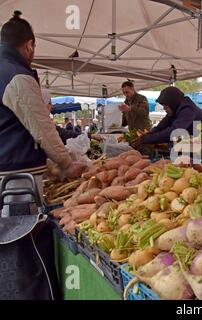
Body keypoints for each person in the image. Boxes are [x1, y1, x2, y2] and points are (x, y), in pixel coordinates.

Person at [0, 10, 86, 300]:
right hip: (15, 184)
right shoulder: (16, 75)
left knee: (10, 247)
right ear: (29, 45)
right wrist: (65, 163)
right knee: (25, 244)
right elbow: (43, 129)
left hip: (8, 177)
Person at [132, 86, 202, 148]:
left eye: (166, 105)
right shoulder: (176, 108)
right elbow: (162, 125)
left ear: (172, 103)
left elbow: (175, 132)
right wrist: (148, 134)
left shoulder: (187, 110)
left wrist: (148, 139)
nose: (164, 108)